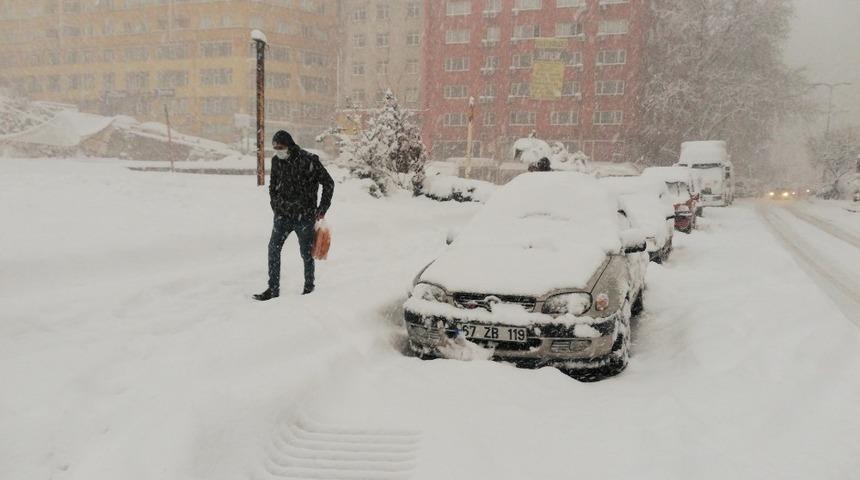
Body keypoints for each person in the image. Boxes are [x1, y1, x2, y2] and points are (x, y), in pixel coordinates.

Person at [254, 130, 334, 301]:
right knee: (273, 249)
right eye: (275, 148)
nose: (278, 151)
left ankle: (308, 288)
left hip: (304, 216)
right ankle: (273, 289)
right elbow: (273, 185)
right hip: (282, 216)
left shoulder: (309, 160)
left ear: (289, 145)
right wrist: (274, 204)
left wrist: (322, 208)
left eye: (280, 147)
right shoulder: (276, 161)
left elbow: (328, 183)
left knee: (306, 253)